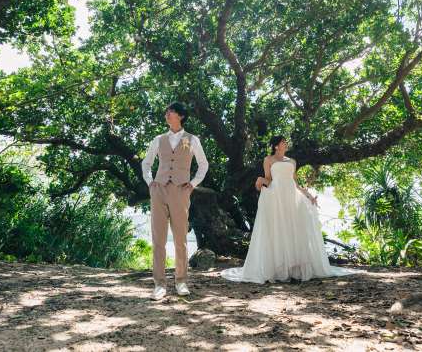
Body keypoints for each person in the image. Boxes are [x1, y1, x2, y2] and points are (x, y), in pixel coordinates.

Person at [221, 135, 361, 283]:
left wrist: (309, 195)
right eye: (283, 142)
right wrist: (260, 179)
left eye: (286, 142)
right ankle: (279, 270)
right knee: (279, 229)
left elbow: (295, 183)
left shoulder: (292, 161)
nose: (286, 144)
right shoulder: (268, 160)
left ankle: (295, 270)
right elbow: (268, 180)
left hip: (291, 198)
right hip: (277, 197)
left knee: (293, 229)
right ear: (276, 145)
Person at [141, 102, 208, 300]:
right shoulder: (158, 139)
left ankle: (181, 281)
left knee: (180, 238)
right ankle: (159, 285)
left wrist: (192, 184)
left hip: (181, 191)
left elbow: (203, 165)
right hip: (159, 190)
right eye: (166, 113)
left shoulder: (192, 140)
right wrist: (150, 183)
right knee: (158, 239)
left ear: (181, 116)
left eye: (171, 112)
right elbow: (146, 163)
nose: (167, 115)